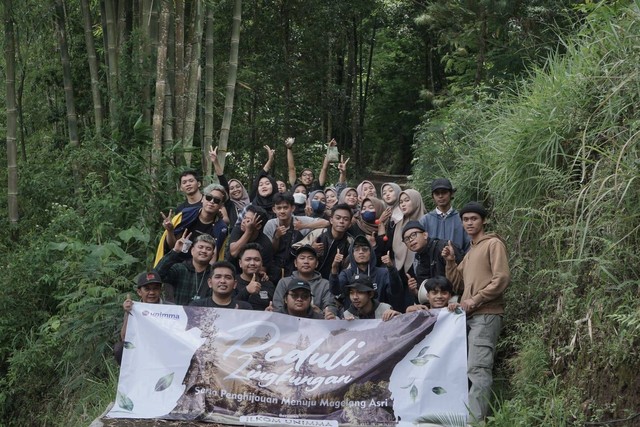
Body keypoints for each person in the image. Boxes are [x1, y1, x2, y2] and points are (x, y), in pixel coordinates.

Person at [442, 201, 510, 423]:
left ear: (483, 221)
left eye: (474, 219)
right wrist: (451, 262)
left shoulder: (493, 244)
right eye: (466, 220)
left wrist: (474, 300)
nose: (469, 223)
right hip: (470, 316)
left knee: (478, 369)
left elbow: (501, 279)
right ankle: (472, 417)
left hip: (487, 314)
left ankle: (476, 421)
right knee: (469, 368)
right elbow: (457, 284)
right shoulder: (471, 250)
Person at [155, 184, 228, 265]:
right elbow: (172, 246)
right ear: (203, 199)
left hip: (200, 269)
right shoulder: (185, 215)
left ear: (221, 205)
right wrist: (170, 231)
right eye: (208, 198)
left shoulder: (221, 228)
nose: (211, 202)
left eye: (216, 200)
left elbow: (214, 258)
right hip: (176, 264)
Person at [329, 234, 404, 312]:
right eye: (357, 249)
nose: (361, 252)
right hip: (353, 319)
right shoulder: (346, 274)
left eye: (365, 249)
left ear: (371, 253)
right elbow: (335, 290)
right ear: (352, 254)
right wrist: (334, 268)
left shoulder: (383, 273)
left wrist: (391, 268)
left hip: (379, 318)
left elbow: (396, 291)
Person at [263, 192, 328, 280]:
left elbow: (326, 223)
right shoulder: (270, 224)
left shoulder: (299, 220)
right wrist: (276, 237)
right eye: (279, 208)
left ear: (292, 208)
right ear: (274, 209)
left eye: (285, 207)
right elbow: (270, 252)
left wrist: (303, 226)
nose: (282, 211)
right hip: (275, 267)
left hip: (296, 267)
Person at [115, 271, 172, 365]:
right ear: (139, 292)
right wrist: (128, 313)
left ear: (160, 290)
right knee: (120, 348)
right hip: (141, 346)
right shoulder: (133, 308)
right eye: (147, 289)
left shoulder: (170, 308)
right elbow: (125, 338)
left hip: (165, 347)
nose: (152, 292)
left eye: (155, 289)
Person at [401, 220, 461, 300]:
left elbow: (461, 279)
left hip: (454, 298)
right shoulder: (417, 259)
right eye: (406, 239)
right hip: (435, 303)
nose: (411, 240)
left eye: (413, 235)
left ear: (425, 235)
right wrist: (415, 291)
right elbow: (426, 295)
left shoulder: (444, 247)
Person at [272, 245, 338, 316]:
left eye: (310, 258)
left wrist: (322, 314)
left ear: (316, 264)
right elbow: (277, 307)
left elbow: (330, 307)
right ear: (295, 263)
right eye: (302, 258)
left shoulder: (325, 284)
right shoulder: (284, 282)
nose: (306, 261)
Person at [155, 233, 216, 305]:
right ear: (192, 250)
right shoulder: (180, 268)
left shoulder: (215, 274)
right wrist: (175, 251)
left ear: (212, 255)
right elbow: (157, 275)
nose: (203, 251)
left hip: (204, 314)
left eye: (208, 249)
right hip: (179, 314)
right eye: (200, 247)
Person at [420, 178, 470, 254]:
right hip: (431, 264)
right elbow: (419, 248)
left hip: (457, 263)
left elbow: (468, 246)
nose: (440, 196)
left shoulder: (461, 219)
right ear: (433, 196)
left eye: (444, 192)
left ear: (451, 194)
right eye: (437, 193)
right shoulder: (425, 220)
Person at [224, 205, 276, 279]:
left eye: (248, 221)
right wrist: (248, 231)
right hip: (230, 271)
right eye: (244, 218)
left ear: (258, 226)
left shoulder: (266, 244)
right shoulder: (238, 230)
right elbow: (234, 252)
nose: (243, 222)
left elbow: (261, 271)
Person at [311, 203, 354, 279]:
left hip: (337, 282)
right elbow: (295, 250)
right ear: (331, 220)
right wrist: (311, 249)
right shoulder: (318, 233)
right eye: (338, 218)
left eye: (346, 219)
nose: (341, 221)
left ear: (350, 224)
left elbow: (350, 268)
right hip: (312, 278)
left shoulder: (351, 242)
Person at [234, 243, 275, 311]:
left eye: (256, 259)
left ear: (261, 263)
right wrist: (247, 291)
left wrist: (269, 312)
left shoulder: (268, 284)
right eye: (248, 259)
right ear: (240, 263)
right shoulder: (232, 282)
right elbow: (228, 307)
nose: (252, 263)